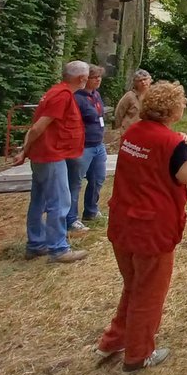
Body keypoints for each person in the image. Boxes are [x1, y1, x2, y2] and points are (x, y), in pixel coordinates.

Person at [96, 80, 187, 372]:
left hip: (124, 221)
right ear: (173, 110)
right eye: (182, 103)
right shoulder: (172, 143)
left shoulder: (133, 133)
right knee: (149, 291)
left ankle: (114, 340)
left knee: (133, 286)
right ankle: (139, 354)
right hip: (151, 228)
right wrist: (184, 147)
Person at [14, 61, 89, 263]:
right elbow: (38, 127)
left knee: (39, 201)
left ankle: (36, 244)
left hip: (43, 155)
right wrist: (24, 151)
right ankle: (59, 249)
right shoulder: (62, 96)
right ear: (81, 78)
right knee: (59, 202)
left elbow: (36, 127)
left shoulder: (55, 92)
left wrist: (26, 151)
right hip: (50, 155)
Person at [67, 64, 109, 228]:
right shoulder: (77, 98)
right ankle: (71, 218)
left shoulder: (96, 94)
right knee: (75, 183)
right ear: (85, 79)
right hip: (83, 147)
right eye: (93, 77)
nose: (98, 80)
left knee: (98, 178)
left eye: (99, 77)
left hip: (98, 144)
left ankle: (91, 211)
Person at [114, 69, 152, 136]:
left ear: (150, 80)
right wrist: (120, 129)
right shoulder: (130, 96)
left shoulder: (153, 95)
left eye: (145, 79)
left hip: (147, 131)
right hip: (129, 131)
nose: (143, 82)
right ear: (135, 83)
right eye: (140, 80)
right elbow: (119, 113)